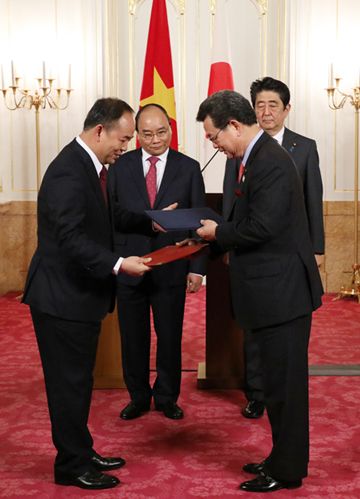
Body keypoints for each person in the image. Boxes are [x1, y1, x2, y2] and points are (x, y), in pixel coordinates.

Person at [22, 98, 154, 490]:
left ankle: (80, 449)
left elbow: (111, 215)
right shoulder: (68, 172)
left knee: (79, 382)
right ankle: (71, 466)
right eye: (124, 139)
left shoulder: (93, 167)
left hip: (79, 297)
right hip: (61, 299)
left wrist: (156, 221)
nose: (126, 147)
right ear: (100, 131)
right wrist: (119, 264)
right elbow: (71, 240)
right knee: (69, 386)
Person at [196, 90, 323, 493]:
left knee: (285, 391)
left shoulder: (268, 161)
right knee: (275, 386)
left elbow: (262, 228)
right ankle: (280, 458)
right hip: (272, 293)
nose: (215, 145)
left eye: (215, 137)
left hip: (282, 296)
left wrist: (218, 232)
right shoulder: (257, 157)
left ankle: (287, 471)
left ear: (233, 125)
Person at [223, 76, 325, 420]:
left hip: (283, 262)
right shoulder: (238, 152)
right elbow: (231, 203)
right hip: (251, 259)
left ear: (286, 109)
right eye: (260, 105)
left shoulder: (301, 148)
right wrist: (225, 238)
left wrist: (317, 247)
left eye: (273, 105)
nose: (266, 112)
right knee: (255, 332)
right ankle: (256, 391)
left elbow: (313, 201)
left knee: (282, 346)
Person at [108, 103, 206, 421]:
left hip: (173, 265)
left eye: (161, 132)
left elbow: (198, 221)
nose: (155, 139)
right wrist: (150, 221)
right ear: (137, 134)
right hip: (130, 263)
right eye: (147, 133)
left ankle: (166, 396)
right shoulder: (120, 168)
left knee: (169, 336)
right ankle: (138, 396)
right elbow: (113, 217)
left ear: (171, 130)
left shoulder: (188, 167)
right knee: (133, 337)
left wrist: (197, 269)